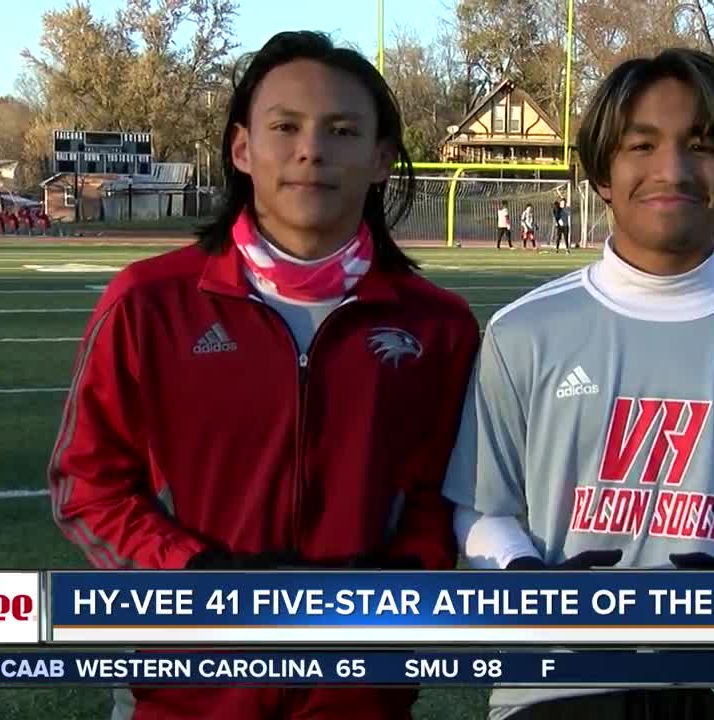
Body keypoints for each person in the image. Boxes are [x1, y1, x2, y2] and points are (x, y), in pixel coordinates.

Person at [47, 30, 481, 720]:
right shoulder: (148, 301)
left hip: (357, 692)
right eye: (286, 126)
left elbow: (442, 497)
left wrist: (402, 584)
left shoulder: (440, 325)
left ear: (380, 160)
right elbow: (86, 485)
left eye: (342, 130)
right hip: (185, 690)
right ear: (242, 148)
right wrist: (193, 576)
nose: (311, 150)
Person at [442, 47, 714, 720]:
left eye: (700, 145)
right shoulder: (524, 331)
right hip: (554, 686)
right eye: (642, 144)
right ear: (603, 174)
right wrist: (528, 584)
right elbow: (483, 509)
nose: (671, 169)